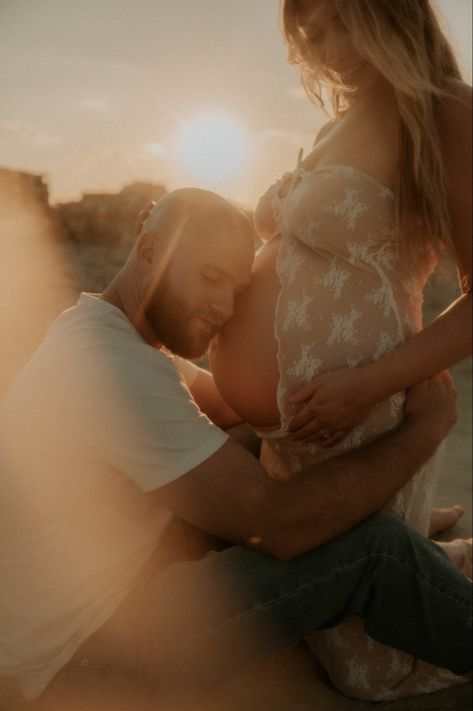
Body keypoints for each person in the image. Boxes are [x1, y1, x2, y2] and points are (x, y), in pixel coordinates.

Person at [0, 188, 471, 710]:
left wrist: (355, 382)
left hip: (89, 603)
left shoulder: (99, 334)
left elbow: (234, 412)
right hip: (83, 657)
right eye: (210, 278)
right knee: (375, 550)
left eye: (238, 288)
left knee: (255, 445)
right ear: (150, 250)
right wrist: (421, 432)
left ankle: (412, 532)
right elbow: (277, 525)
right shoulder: (109, 367)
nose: (226, 308)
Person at [209, 0, 472, 700]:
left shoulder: (443, 109)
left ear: (385, 11)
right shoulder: (334, 125)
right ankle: (443, 556)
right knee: (312, 618)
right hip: (292, 434)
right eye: (307, 34)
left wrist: (366, 385)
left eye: (332, 21)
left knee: (367, 667)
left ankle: (443, 567)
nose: (319, 46)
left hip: (361, 419)